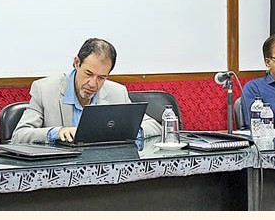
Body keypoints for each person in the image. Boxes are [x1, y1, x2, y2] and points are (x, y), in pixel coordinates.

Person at [11, 38, 162, 143]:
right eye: (88, 74)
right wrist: (57, 132)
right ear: (77, 63)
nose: (93, 84)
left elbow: (154, 126)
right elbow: (19, 135)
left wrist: (128, 131)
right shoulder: (45, 90)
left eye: (101, 77)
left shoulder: (117, 92)